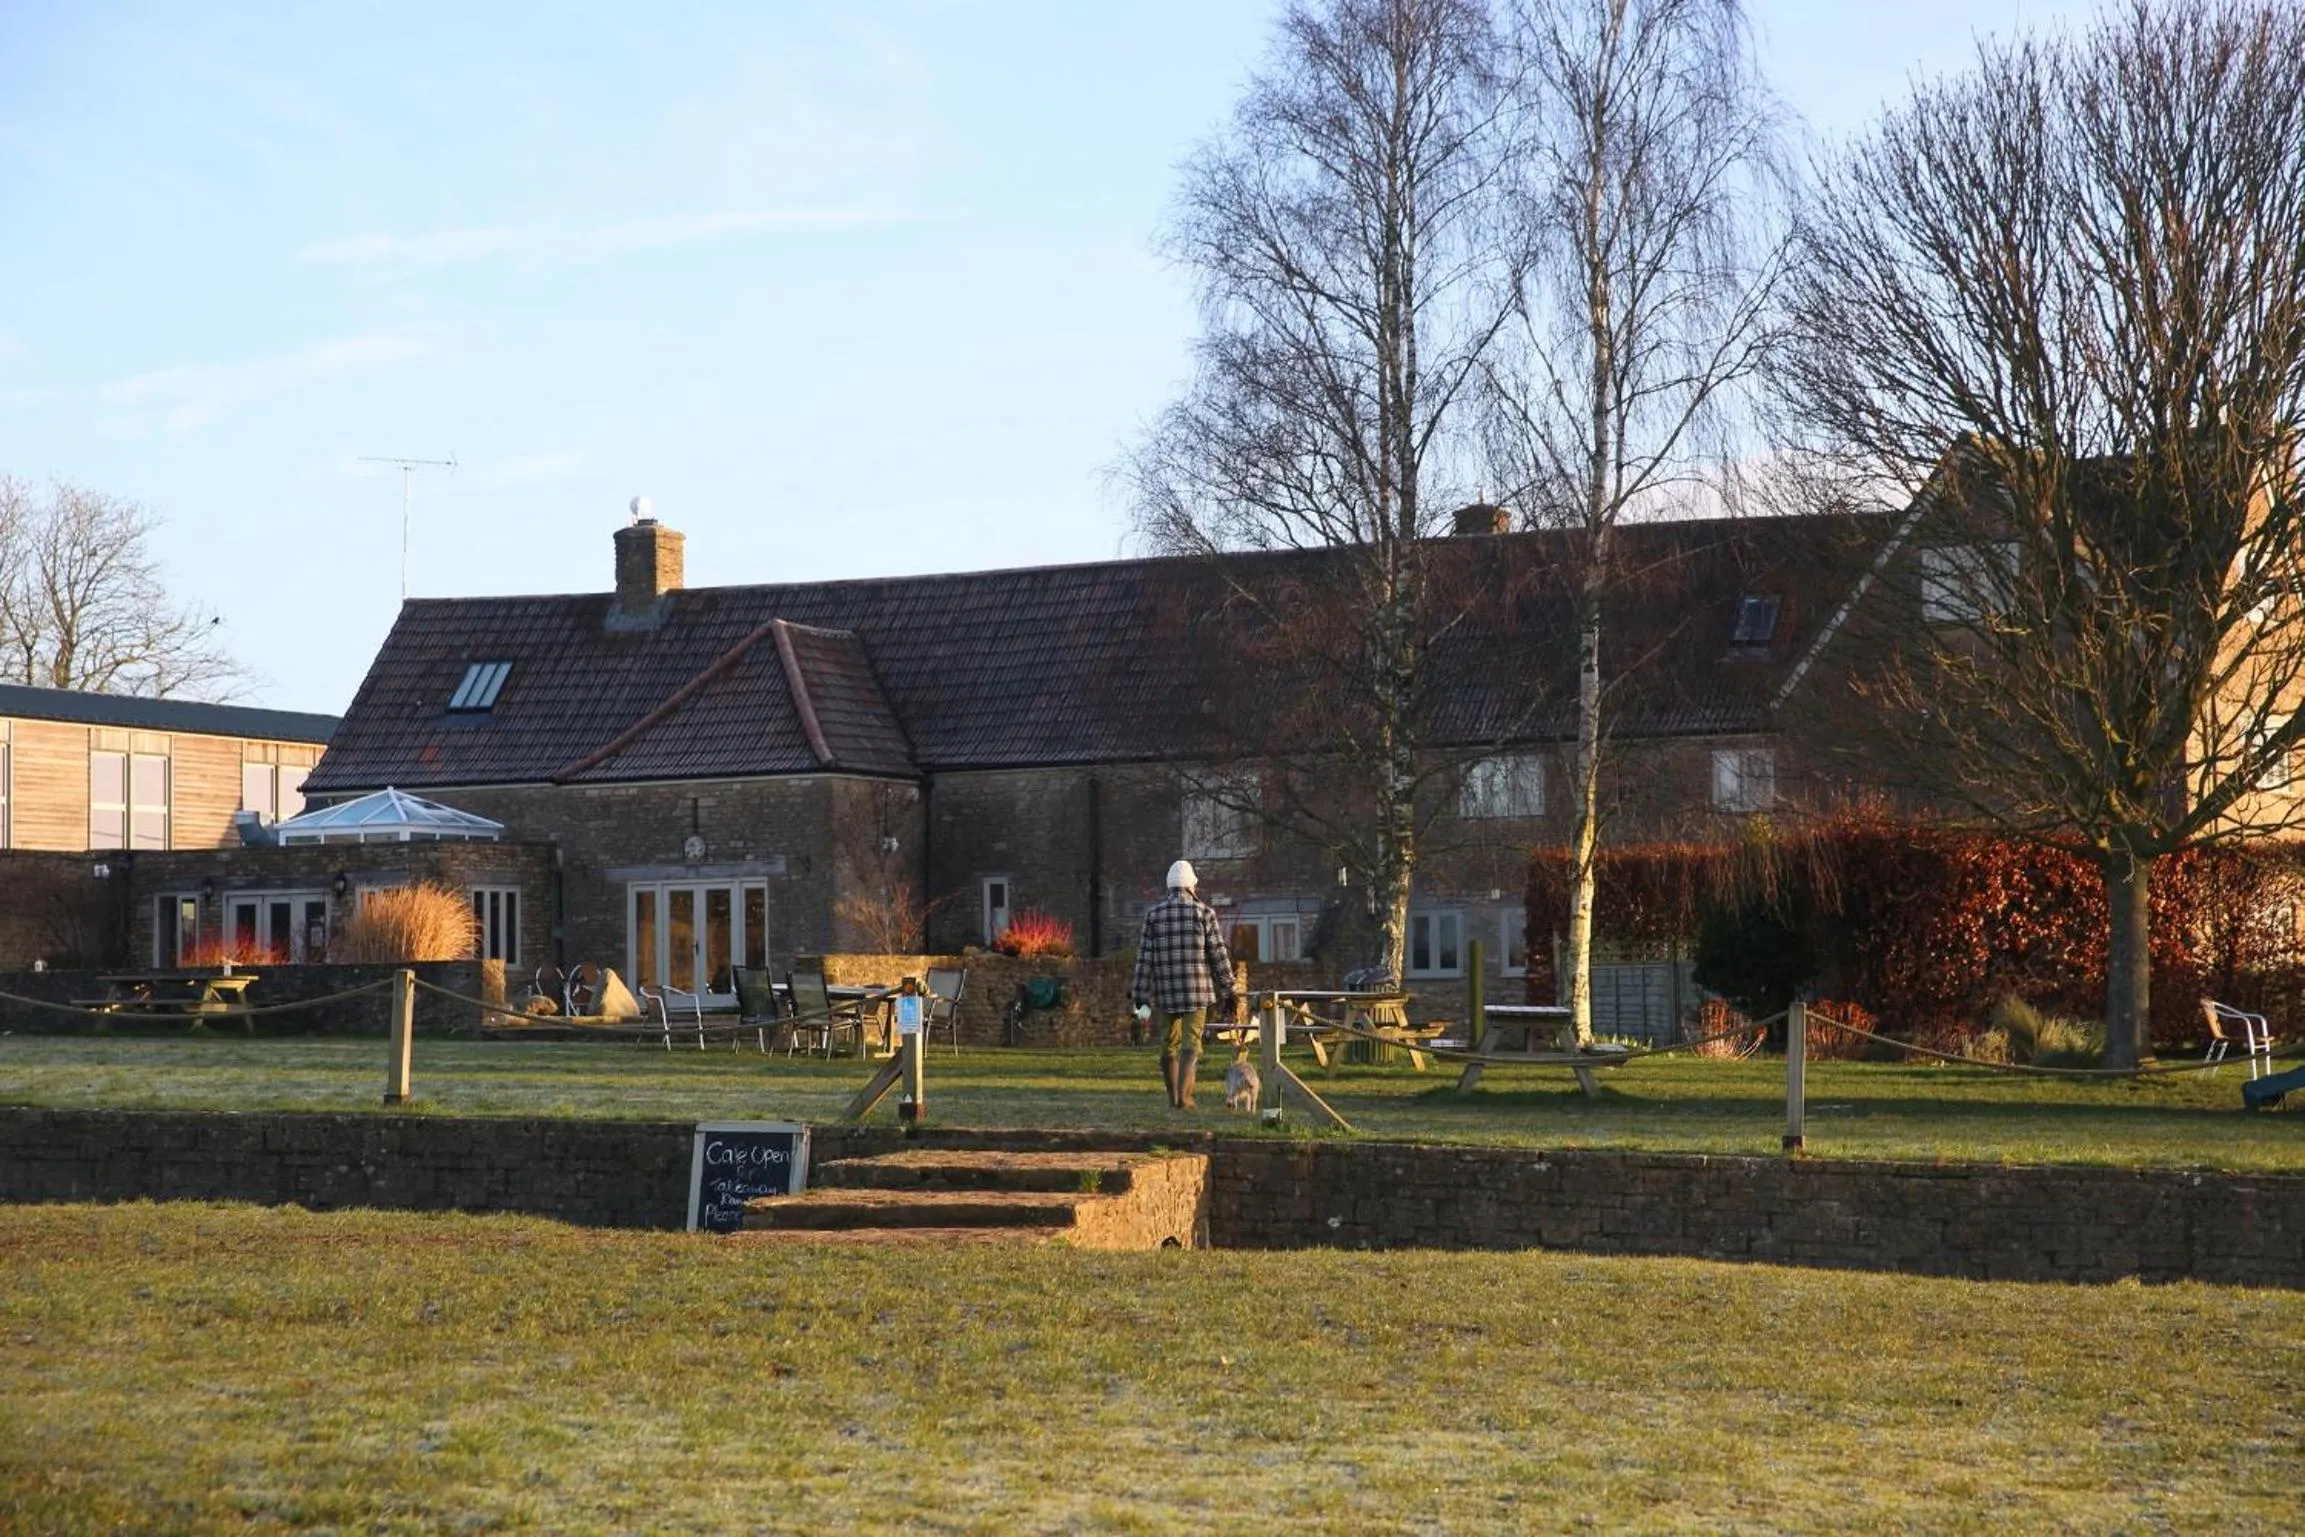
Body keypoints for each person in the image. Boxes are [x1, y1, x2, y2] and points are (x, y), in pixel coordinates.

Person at [1128, 859, 1237, 1110]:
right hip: (1197, 993)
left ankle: (1172, 1098)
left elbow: (1144, 959)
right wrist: (1229, 990)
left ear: (1170, 887)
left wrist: (1140, 995)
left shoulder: (1153, 916)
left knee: (1168, 1045)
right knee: (1192, 1044)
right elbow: (1218, 956)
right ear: (1191, 887)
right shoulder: (1204, 913)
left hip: (1166, 993)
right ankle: (1185, 1098)